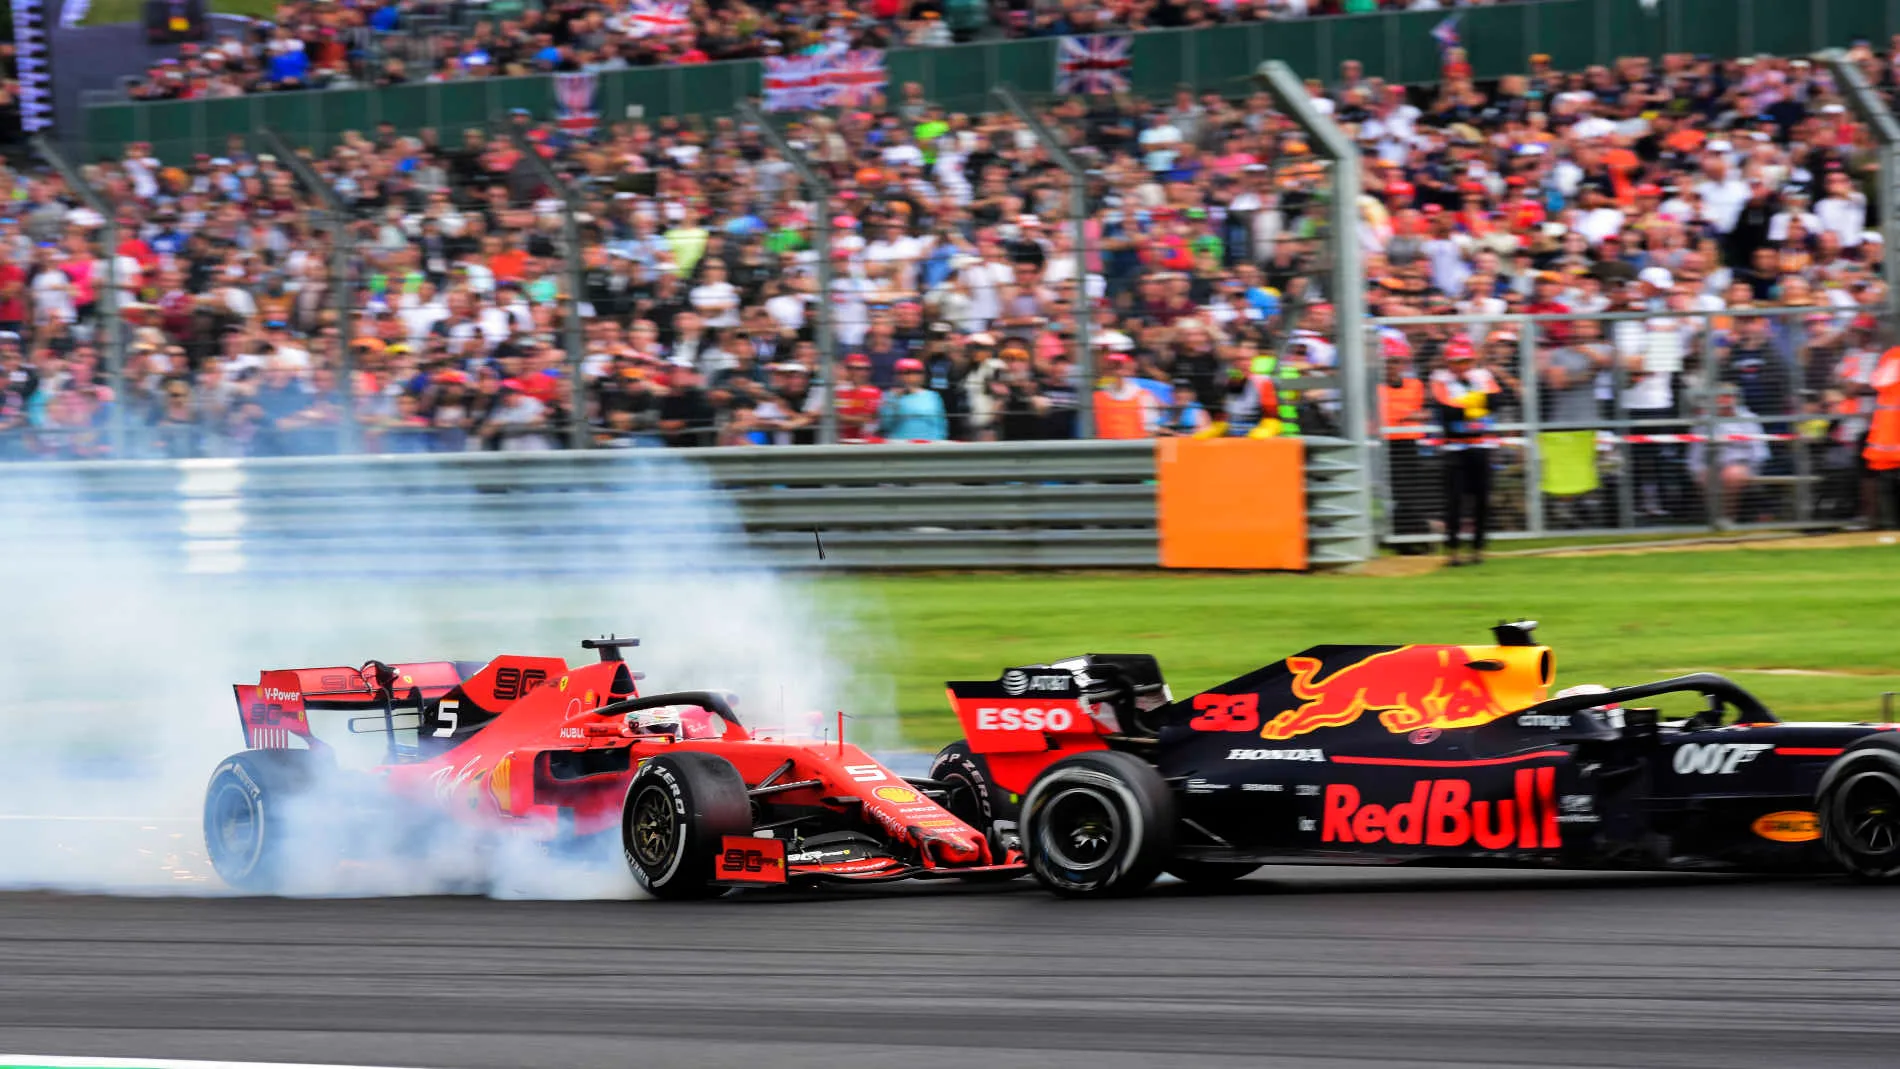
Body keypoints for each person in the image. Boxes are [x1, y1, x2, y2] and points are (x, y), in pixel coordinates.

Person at [1429, 335, 1499, 566]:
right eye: (1457, 362)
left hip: (1481, 445)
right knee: (1454, 501)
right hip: (1454, 447)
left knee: (1482, 499)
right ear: (1448, 362)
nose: (1461, 366)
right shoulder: (1439, 379)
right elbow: (1447, 413)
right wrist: (1476, 405)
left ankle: (1478, 549)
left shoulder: (1483, 376)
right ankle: (1453, 551)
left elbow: (1497, 401)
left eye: (1465, 361)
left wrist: (1467, 406)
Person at [878, 357, 948, 441]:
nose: (910, 376)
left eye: (916, 372)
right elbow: (885, 425)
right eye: (905, 372)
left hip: (930, 446)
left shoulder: (933, 396)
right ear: (897, 376)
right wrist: (894, 400)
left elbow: (941, 424)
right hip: (899, 446)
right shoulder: (889, 396)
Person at [1092, 353, 1159, 439]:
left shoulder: (1143, 396)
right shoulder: (1097, 397)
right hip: (1104, 449)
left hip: (1134, 448)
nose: (1118, 373)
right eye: (1114, 367)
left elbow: (1151, 430)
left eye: (1120, 367)